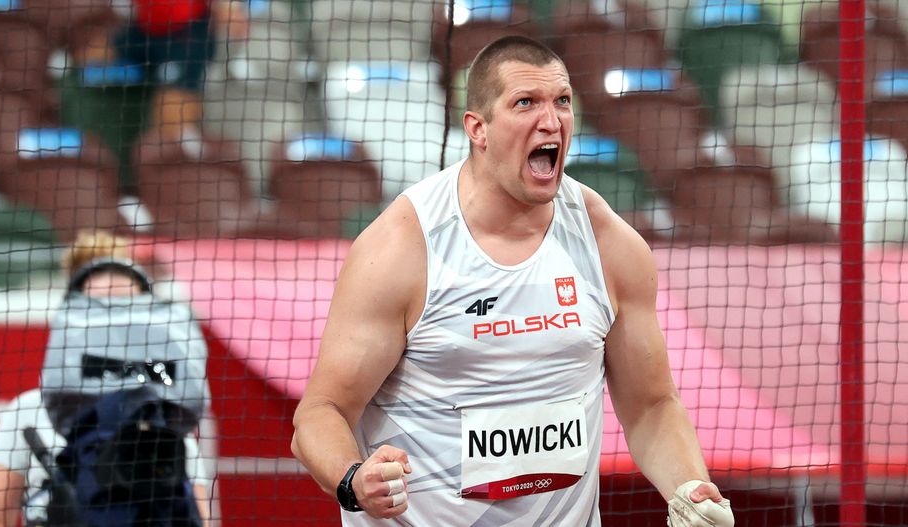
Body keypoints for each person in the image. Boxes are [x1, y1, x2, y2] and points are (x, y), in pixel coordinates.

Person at [291, 35, 735, 526]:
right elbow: (320, 413)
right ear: (477, 128)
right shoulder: (401, 248)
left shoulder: (608, 243)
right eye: (526, 103)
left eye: (561, 101)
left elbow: (651, 406)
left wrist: (690, 490)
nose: (551, 121)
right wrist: (354, 480)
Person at [0, 230, 213, 527]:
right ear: (73, 311)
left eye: (124, 304)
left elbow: (197, 518)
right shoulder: (28, 410)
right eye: (100, 304)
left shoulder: (166, 413)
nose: (113, 318)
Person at [77, 0, 249, 140]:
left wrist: (229, 6)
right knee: (86, 54)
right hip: (144, 27)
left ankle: (187, 147)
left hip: (186, 33)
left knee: (169, 126)